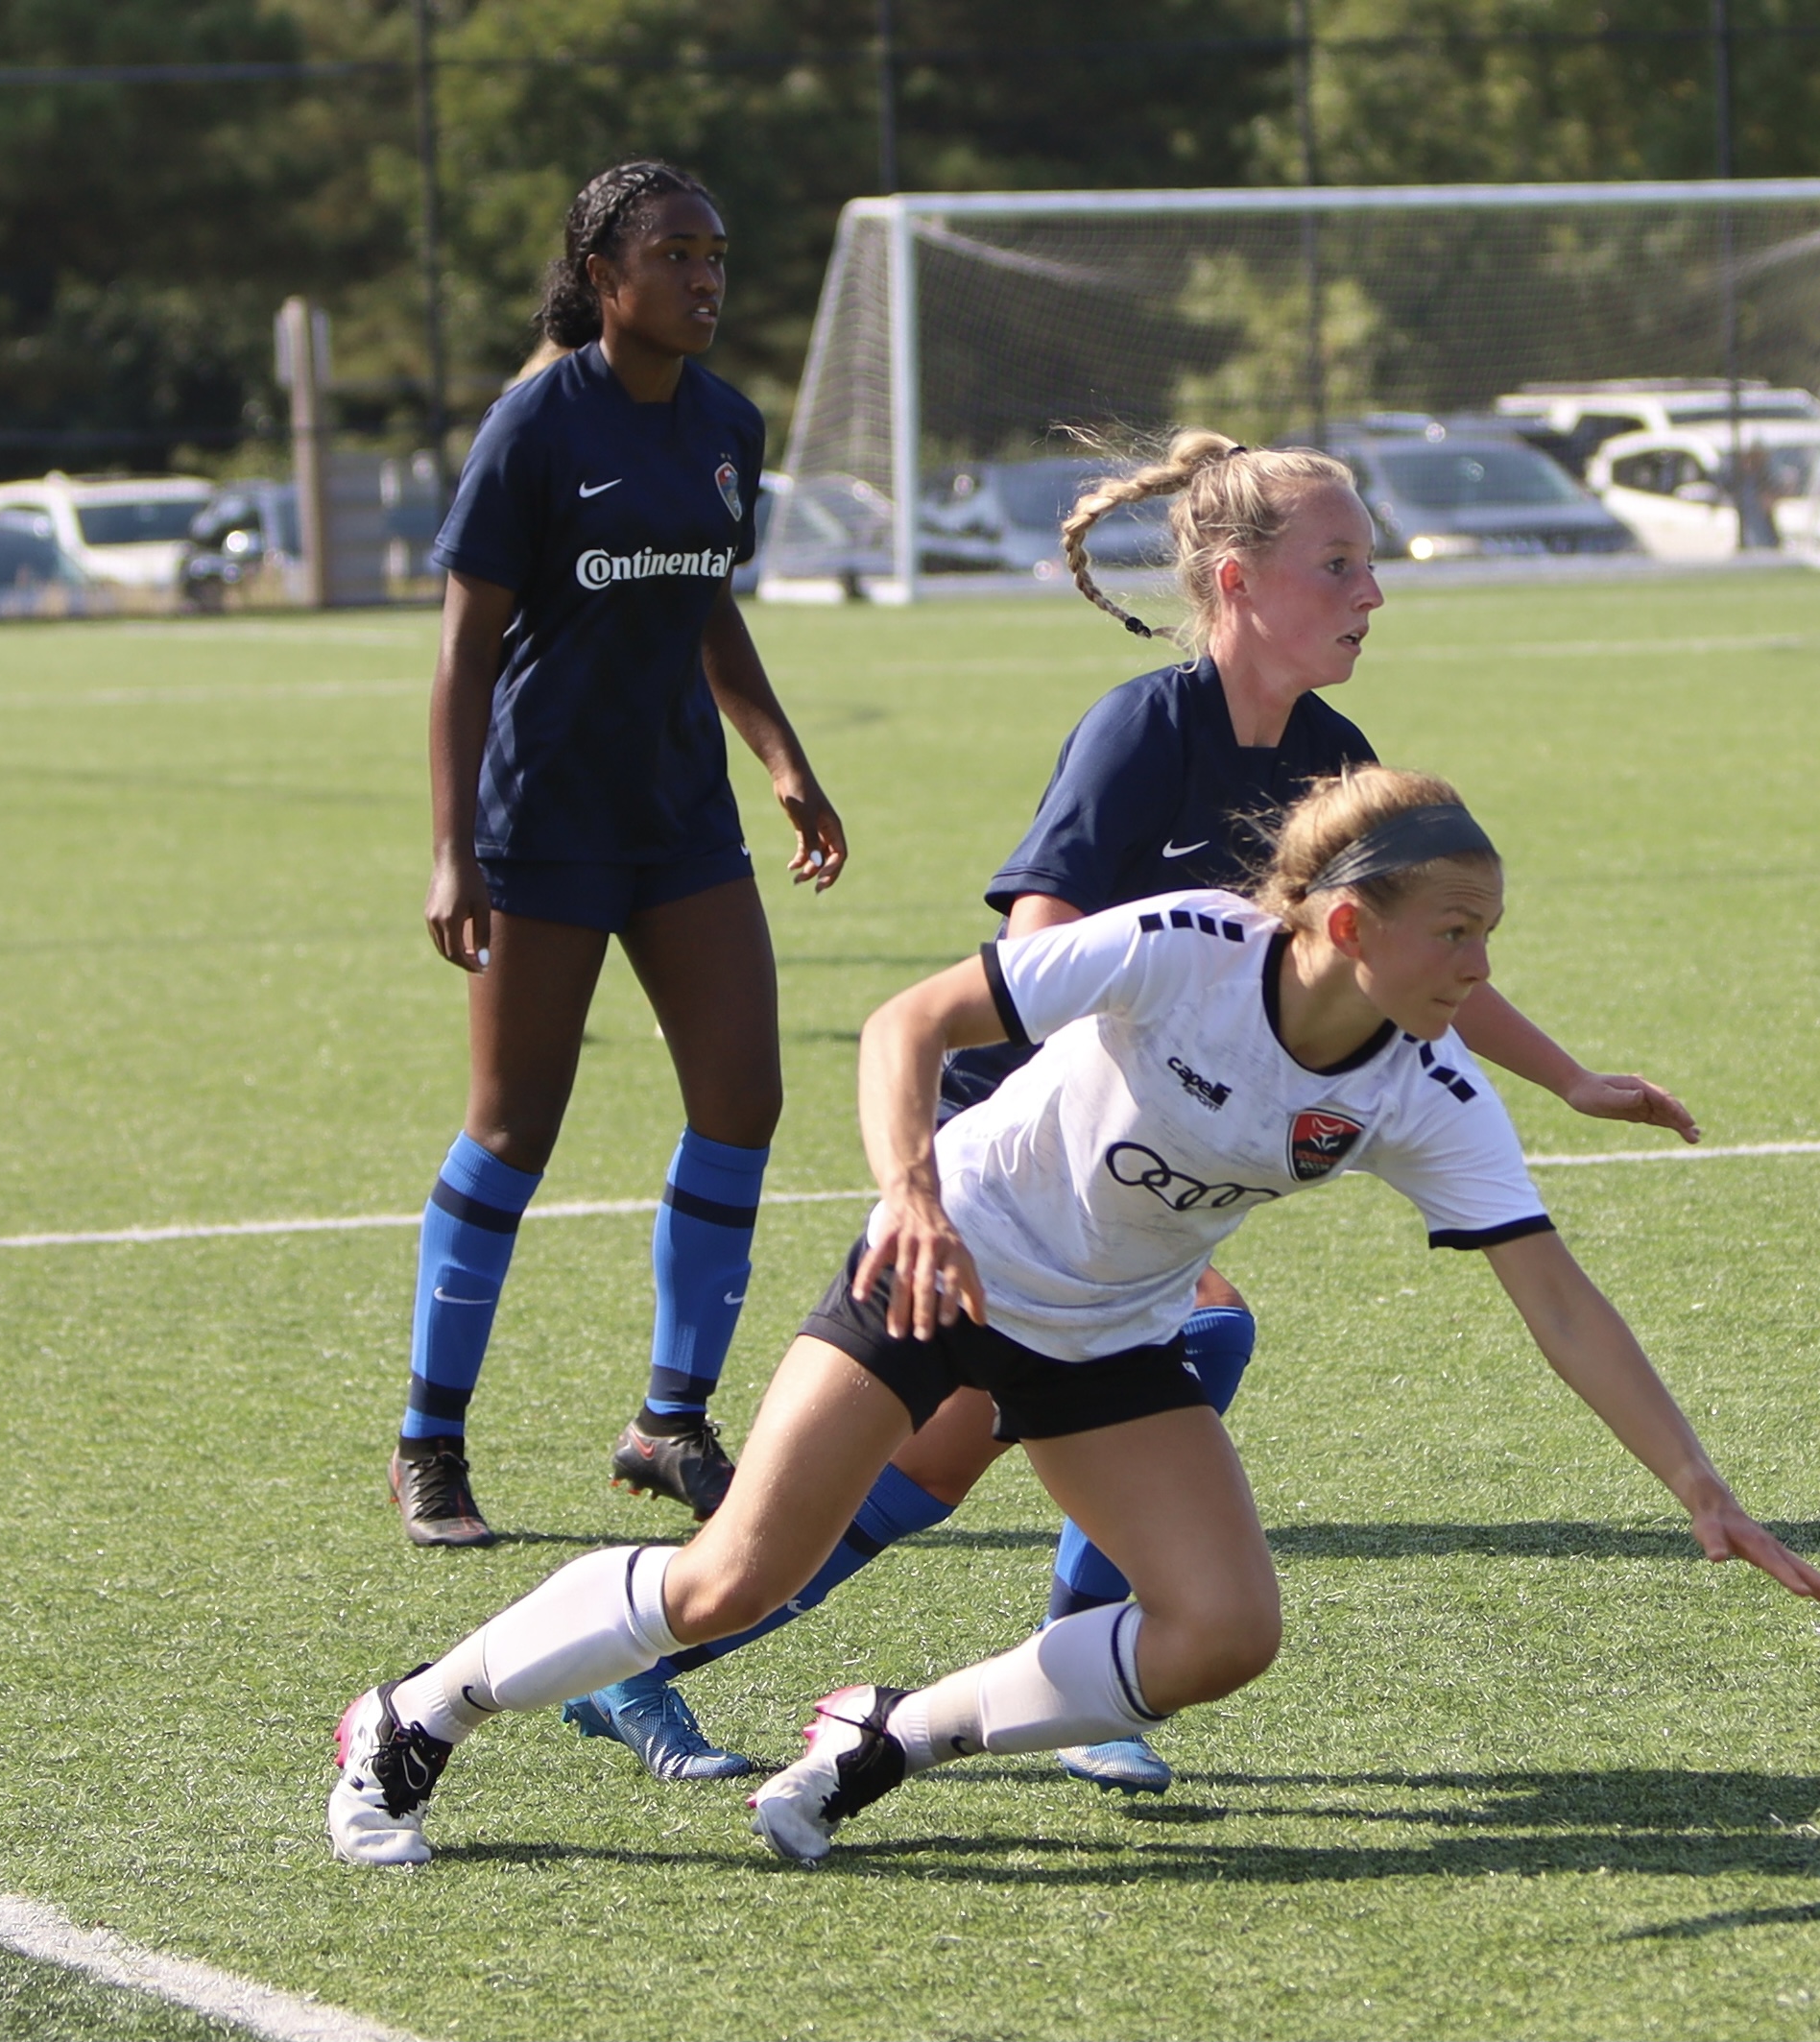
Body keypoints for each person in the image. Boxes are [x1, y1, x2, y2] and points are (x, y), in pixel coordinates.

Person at [325, 765, 1820, 1871]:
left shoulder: (1423, 1091)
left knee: (1223, 1630)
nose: (1481, 967)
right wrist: (907, 1189)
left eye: (1488, 932)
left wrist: (1701, 1492)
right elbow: (909, 1019)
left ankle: (890, 1733)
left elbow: (1561, 1304)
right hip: (945, 1266)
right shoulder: (1185, 946)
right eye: (1454, 930)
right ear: (1337, 922)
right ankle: (414, 1714)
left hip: (1109, 1335)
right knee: (731, 1575)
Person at [562, 433, 1698, 1790]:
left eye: (1371, 564)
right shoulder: (1139, 733)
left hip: (1146, 1163)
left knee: (935, 1463)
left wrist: (1565, 1075)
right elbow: (1040, 959)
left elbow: (1399, 958)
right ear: (1237, 580)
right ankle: (1064, 1663)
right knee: (1165, 1344)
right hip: (1025, 1152)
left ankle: (693, 1668)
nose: (1371, 593)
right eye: (1339, 564)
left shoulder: (1336, 759)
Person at [389, 158, 849, 1550]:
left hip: (680, 820)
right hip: (543, 825)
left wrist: (781, 756)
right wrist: (452, 849)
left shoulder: (726, 422)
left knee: (744, 1097)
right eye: (677, 253)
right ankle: (429, 1441)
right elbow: (465, 654)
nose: (707, 278)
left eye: (718, 253)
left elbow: (708, 603)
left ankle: (668, 1418)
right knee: (514, 1128)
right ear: (604, 276)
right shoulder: (535, 426)